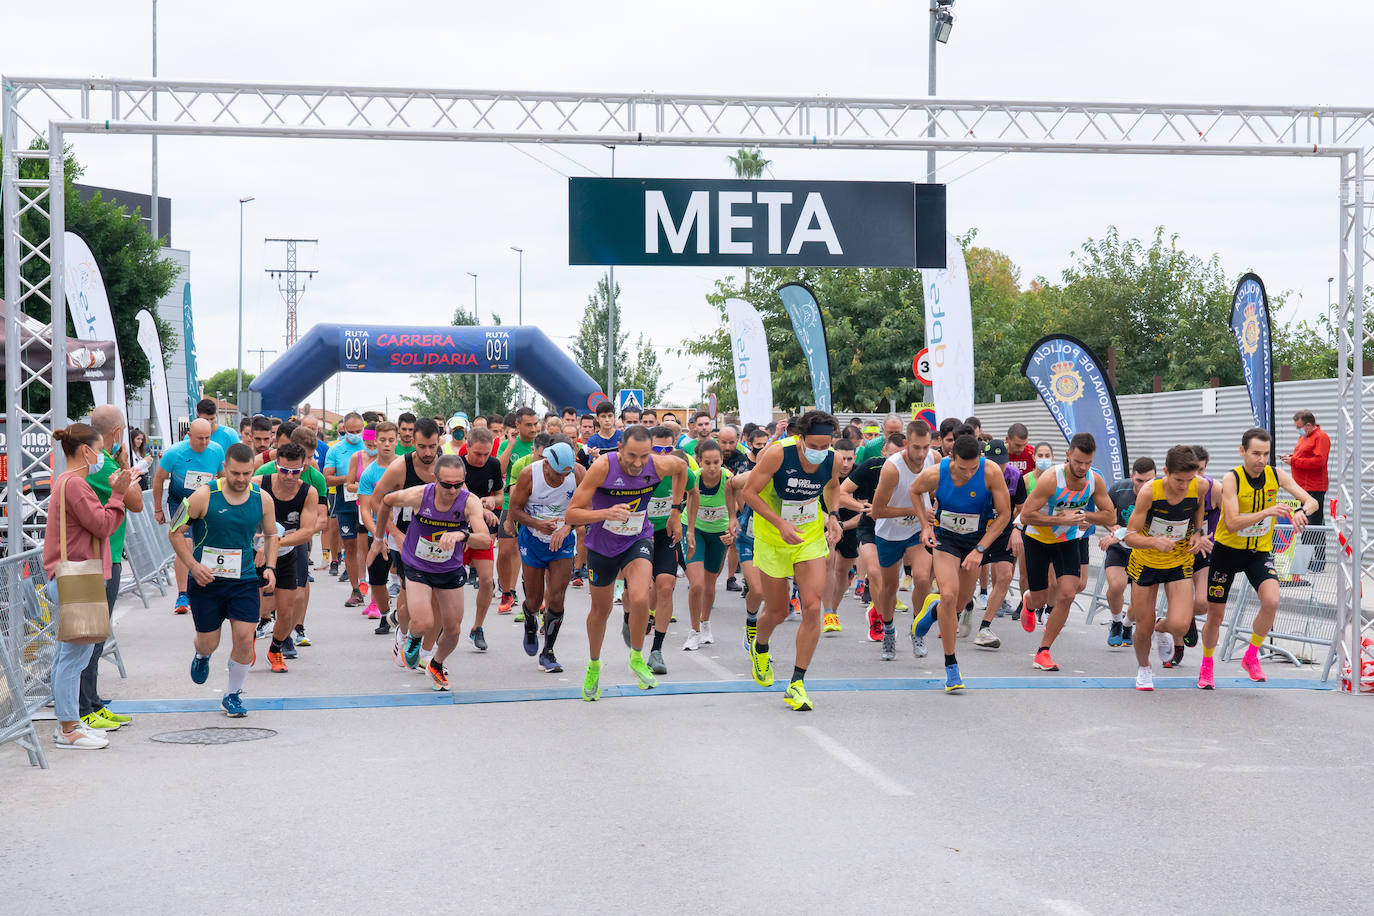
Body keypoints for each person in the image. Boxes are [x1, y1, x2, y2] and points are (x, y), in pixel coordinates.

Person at [565, 425, 688, 700]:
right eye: (631, 455)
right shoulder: (602, 467)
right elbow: (572, 512)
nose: (637, 463)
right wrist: (605, 512)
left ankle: (636, 657)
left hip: (637, 538)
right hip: (602, 545)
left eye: (643, 456)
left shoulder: (657, 465)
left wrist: (675, 511)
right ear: (620, 448)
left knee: (641, 596)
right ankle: (594, 665)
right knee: (601, 610)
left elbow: (682, 468)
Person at [741, 411, 846, 712]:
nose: (819, 450)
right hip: (773, 538)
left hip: (809, 537)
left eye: (825, 444)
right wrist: (780, 524)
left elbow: (832, 487)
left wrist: (834, 517)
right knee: (777, 610)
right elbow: (749, 492)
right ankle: (759, 647)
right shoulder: (777, 454)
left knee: (812, 607)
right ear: (799, 439)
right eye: (814, 444)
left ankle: (797, 683)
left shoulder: (832, 459)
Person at [1201, 428, 1318, 688]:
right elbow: (1231, 523)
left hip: (1258, 552)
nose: (1261, 459)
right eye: (1255, 453)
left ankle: (1251, 655)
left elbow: (1312, 501)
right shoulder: (1232, 479)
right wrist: (1267, 512)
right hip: (1228, 552)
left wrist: (1301, 511)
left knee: (1272, 600)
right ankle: (1207, 665)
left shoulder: (1276, 474)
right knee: (1216, 615)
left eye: (1265, 454)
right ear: (1242, 451)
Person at [170, 442, 279, 718]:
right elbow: (175, 531)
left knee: (245, 638)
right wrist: (193, 566)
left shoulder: (262, 498)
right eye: (235, 474)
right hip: (206, 581)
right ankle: (202, 656)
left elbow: (271, 534)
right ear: (224, 470)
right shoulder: (203, 496)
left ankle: (232, 695)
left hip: (243, 579)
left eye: (246, 473)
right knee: (209, 642)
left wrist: (270, 566)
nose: (241, 479)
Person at [44, 423, 135, 748]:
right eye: (100, 450)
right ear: (86, 451)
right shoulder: (76, 485)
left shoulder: (67, 483)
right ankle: (69, 729)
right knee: (73, 657)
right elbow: (102, 525)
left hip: (71, 575)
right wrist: (119, 494)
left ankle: (70, 723)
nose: (102, 457)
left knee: (68, 655)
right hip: (77, 576)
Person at [911, 432, 1012, 691]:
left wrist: (980, 549)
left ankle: (932, 612)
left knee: (958, 604)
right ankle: (951, 666)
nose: (968, 474)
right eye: (962, 468)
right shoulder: (936, 473)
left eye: (973, 468)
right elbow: (915, 491)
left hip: (975, 541)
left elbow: (1004, 515)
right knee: (948, 594)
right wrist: (925, 526)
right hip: (946, 539)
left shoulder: (990, 472)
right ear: (951, 458)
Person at [386, 455, 492, 690]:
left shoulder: (469, 501)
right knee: (423, 622)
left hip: (449, 568)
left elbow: (485, 540)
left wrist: (462, 535)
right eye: (446, 484)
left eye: (458, 484)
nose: (452, 490)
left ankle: (436, 663)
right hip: (418, 565)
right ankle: (412, 640)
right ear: (435, 480)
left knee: (453, 630)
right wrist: (387, 534)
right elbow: (385, 500)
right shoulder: (419, 494)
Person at [1017, 433, 1117, 672]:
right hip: (1038, 539)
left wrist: (1083, 517)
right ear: (1068, 455)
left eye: (1088, 463)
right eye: (1078, 462)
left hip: (1068, 540)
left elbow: (1110, 515)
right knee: (1041, 597)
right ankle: (1029, 603)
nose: (1082, 468)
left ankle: (1043, 651)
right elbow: (1026, 516)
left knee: (1068, 594)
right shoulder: (1051, 479)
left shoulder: (1095, 480)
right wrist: (1058, 518)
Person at [1121, 445, 1213, 691]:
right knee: (1143, 627)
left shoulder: (1200, 486)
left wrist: (1199, 534)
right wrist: (1153, 541)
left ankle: (1162, 627)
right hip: (1146, 563)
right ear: (1165, 472)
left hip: (1179, 560)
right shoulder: (1150, 492)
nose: (1184, 485)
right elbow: (1129, 536)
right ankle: (1144, 668)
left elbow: (1199, 515)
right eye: (1178, 480)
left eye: (1189, 479)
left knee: (1180, 626)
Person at [77, 406, 144, 732]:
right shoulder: (103, 466)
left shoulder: (97, 463)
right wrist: (127, 465)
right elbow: (136, 502)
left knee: (96, 636)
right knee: (91, 637)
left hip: (105, 556)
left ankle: (91, 702)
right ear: (118, 432)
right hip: (102, 558)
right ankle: (84, 707)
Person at [366, 417, 442, 668]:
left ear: (439, 440)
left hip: (437, 541)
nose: (428, 452)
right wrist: (392, 534)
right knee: (414, 598)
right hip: (406, 541)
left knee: (436, 600)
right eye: (422, 447)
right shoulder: (401, 467)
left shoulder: (446, 466)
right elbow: (377, 501)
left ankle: (426, 654)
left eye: (432, 446)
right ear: (413, 442)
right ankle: (403, 631)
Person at [507, 440, 584, 672]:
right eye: (558, 474)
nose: (562, 479)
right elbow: (515, 509)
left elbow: (587, 507)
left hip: (561, 540)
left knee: (558, 595)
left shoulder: (578, 473)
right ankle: (530, 621)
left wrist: (567, 527)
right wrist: (538, 524)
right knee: (534, 599)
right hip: (533, 539)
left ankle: (548, 651)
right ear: (546, 463)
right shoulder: (530, 474)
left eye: (566, 474)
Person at [868, 422, 933, 661]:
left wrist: (931, 510)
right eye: (916, 447)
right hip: (889, 532)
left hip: (918, 530)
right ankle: (888, 630)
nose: (922, 454)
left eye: (926, 447)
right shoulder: (892, 468)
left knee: (923, 578)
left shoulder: (931, 459)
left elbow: (935, 491)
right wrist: (917, 510)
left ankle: (917, 630)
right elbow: (877, 511)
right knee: (890, 587)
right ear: (906, 443)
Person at [152, 418, 226, 614]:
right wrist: (158, 509)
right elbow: (159, 479)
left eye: (207, 438)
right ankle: (182, 595)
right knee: (184, 544)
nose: (203, 442)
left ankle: (207, 588)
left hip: (205, 503)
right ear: (189, 436)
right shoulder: (175, 453)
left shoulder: (217, 450)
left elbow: (223, 477)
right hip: (180, 503)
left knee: (206, 544)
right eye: (199, 438)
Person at [641, 428, 698, 675]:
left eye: (668, 449)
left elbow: (693, 493)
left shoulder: (678, 468)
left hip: (665, 533)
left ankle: (656, 651)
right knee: (640, 592)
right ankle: (632, 620)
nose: (663, 455)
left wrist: (690, 528)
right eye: (657, 449)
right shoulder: (637, 467)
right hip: (637, 535)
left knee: (665, 585)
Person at [260, 442, 320, 673]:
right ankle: (250, 638)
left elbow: (306, 531)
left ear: (303, 468)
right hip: (256, 550)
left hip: (288, 551)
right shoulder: (260, 484)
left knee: (288, 608)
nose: (289, 476)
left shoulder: (308, 492)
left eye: (295, 471)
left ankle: (276, 648)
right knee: (253, 604)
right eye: (284, 470)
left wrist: (274, 545)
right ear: (276, 466)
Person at [838, 432, 903, 625]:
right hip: (871, 528)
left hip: (898, 528)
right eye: (892, 456)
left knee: (890, 582)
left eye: (901, 457)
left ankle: (880, 609)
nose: (896, 462)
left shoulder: (916, 469)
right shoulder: (872, 466)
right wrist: (863, 507)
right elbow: (842, 493)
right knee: (874, 572)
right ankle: (881, 622)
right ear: (884, 451)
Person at [970, 439, 1026, 650]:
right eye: (993, 462)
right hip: (977, 532)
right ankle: (963, 609)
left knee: (1004, 575)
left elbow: (1022, 508)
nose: (998, 467)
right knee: (968, 579)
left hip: (1003, 532)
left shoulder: (1015, 477)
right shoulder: (974, 475)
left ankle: (985, 627)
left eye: (1002, 463)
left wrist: (1016, 530)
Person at [682, 439, 737, 650]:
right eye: (707, 463)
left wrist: (731, 534)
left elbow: (736, 510)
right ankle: (694, 630)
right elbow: (690, 504)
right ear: (699, 461)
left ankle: (705, 623)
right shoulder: (694, 479)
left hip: (719, 533)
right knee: (696, 584)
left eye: (716, 462)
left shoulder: (729, 479)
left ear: (722, 460)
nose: (712, 468)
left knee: (710, 583)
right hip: (695, 529)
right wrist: (688, 531)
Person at [1099, 458, 1157, 649]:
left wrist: (1120, 533)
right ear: (1132, 477)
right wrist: (1112, 526)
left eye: (1149, 481)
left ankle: (1127, 625)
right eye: (1139, 481)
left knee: (1138, 600)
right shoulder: (1118, 489)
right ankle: (1116, 622)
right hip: (1119, 548)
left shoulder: (1161, 495)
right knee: (1116, 586)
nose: (1144, 486)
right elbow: (1105, 513)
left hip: (1143, 551)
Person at [459, 427, 505, 648]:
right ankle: (442, 625)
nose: (482, 459)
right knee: (450, 582)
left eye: (486, 454)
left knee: (487, 581)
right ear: (467, 448)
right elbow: (463, 494)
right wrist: (481, 507)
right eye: (477, 454)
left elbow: (499, 496)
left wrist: (491, 501)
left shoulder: (494, 465)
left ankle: (477, 628)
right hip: (456, 531)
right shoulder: (456, 464)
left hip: (482, 532)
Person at [496, 407, 540, 614]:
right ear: (518, 425)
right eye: (528, 425)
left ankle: (527, 595)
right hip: (509, 503)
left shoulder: (542, 445)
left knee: (528, 554)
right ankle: (506, 592)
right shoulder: (506, 445)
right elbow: (499, 471)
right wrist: (511, 445)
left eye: (535, 424)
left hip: (535, 505)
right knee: (505, 552)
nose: (533, 428)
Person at [354, 423, 399, 625]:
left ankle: (402, 618)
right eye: (383, 440)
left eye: (391, 440)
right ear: (376, 442)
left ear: (397, 441)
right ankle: (385, 613)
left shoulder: (405, 468)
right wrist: (377, 536)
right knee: (377, 580)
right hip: (378, 532)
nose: (387, 444)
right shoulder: (368, 474)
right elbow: (365, 509)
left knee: (409, 581)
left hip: (403, 532)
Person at [323, 412, 368, 607]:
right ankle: (356, 589)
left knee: (368, 545)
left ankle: (373, 587)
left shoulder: (370, 447)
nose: (356, 435)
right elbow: (327, 478)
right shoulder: (336, 449)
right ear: (344, 430)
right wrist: (350, 479)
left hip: (368, 502)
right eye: (352, 431)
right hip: (345, 501)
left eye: (359, 431)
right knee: (350, 546)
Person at [1282, 409, 1330, 572]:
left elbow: (1318, 461)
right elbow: (1302, 457)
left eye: (1299, 426)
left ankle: (1319, 560)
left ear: (1309, 425)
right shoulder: (1304, 437)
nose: (1298, 429)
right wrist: (1291, 458)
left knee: (1314, 523)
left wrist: (1294, 461)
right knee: (1304, 522)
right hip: (1302, 487)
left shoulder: (1320, 437)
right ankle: (1308, 559)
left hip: (1314, 487)